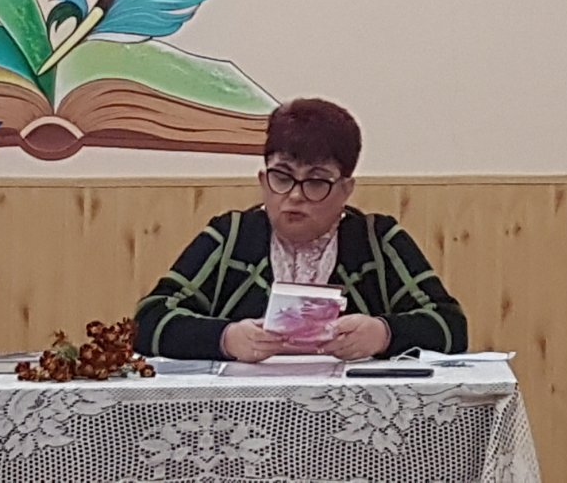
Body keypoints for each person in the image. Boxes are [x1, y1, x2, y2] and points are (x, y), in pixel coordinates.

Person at [134, 98, 468, 362]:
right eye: (282, 177)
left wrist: (383, 334)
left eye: (316, 181)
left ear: (346, 189)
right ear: (263, 180)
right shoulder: (230, 236)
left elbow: (451, 326)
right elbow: (147, 321)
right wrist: (226, 338)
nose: (295, 195)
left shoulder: (377, 240)